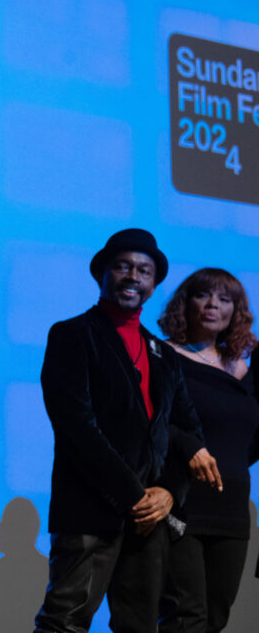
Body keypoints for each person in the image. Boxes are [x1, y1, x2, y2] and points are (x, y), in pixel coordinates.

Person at [34, 228, 216, 633]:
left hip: (151, 515)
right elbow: (75, 424)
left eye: (144, 270)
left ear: (153, 284)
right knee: (65, 621)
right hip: (90, 508)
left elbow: (185, 430)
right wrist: (133, 495)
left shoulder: (163, 354)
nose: (133, 276)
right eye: (122, 267)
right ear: (102, 274)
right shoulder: (72, 335)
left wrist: (168, 493)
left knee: (139, 626)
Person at [156, 268, 258, 632]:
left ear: (236, 311)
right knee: (186, 617)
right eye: (204, 296)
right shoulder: (164, 356)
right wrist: (191, 448)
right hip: (182, 503)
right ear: (187, 303)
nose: (213, 305)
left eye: (224, 299)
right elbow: (152, 422)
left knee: (216, 618)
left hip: (232, 508)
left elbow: (249, 439)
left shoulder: (245, 370)